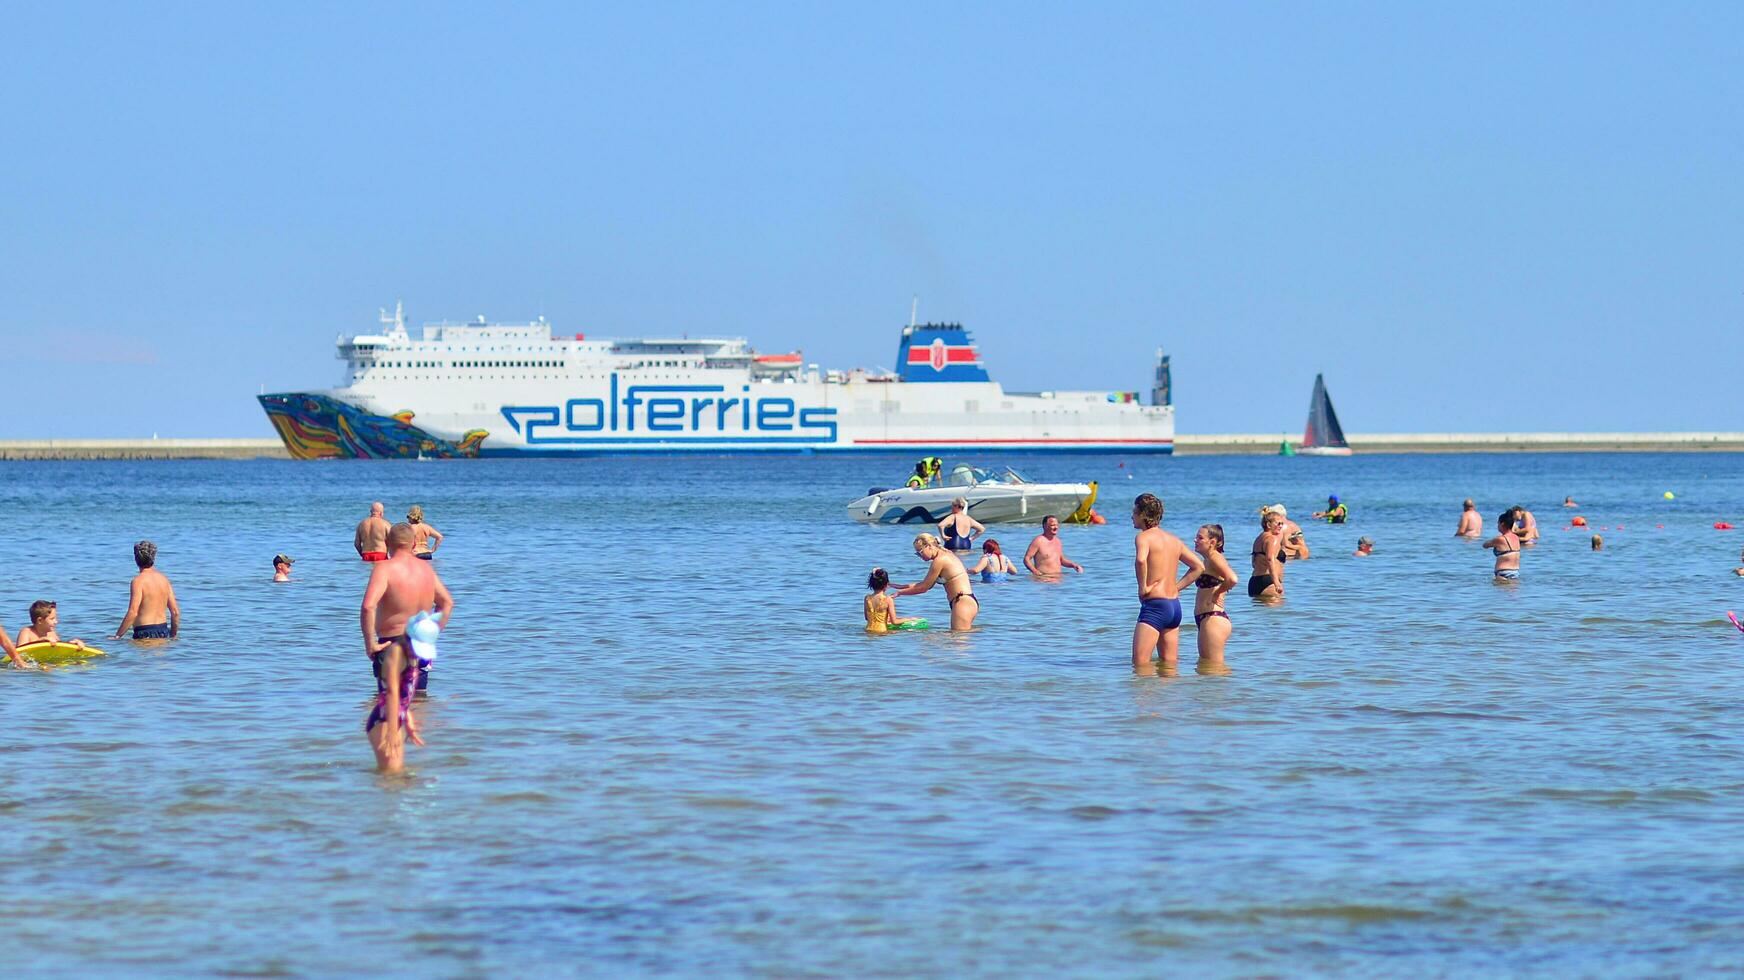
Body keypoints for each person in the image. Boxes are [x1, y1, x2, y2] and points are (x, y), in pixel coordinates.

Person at [360, 523, 454, 773]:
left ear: (388, 544)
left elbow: (369, 606)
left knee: (386, 714)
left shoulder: (386, 568)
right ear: (413, 544)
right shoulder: (426, 570)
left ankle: (392, 775)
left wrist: (370, 643)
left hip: (392, 645)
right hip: (418, 648)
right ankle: (405, 766)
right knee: (410, 702)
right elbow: (447, 604)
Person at [1129, 494, 1204, 670]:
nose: (1131, 516)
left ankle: (1144, 699)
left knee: (1140, 666)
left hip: (1155, 605)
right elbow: (1199, 566)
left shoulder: (1143, 537)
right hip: (1174, 606)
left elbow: (1140, 560)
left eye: (1134, 511)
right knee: (1169, 668)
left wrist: (1143, 588)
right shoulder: (1174, 540)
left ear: (1143, 514)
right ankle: (1169, 698)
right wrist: (1176, 587)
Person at [893, 533, 978, 630]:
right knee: (953, 641)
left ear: (929, 546)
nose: (919, 556)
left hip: (962, 603)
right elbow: (925, 584)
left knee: (958, 641)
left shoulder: (939, 560)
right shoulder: (945, 554)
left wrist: (899, 593)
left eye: (920, 552)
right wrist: (899, 586)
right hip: (964, 601)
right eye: (917, 554)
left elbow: (923, 588)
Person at [114, 540, 180, 640]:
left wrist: (117, 636)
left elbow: (133, 612)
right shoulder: (164, 580)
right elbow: (175, 612)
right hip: (163, 631)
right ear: (154, 558)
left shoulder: (138, 581)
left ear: (136, 559)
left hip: (144, 632)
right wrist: (173, 635)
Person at [1191, 523, 1236, 666]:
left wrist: (1218, 593)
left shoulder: (1215, 557)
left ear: (1212, 542)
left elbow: (1232, 579)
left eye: (1200, 538)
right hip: (1206, 618)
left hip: (1213, 619)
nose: (1195, 540)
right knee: (1206, 669)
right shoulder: (1207, 560)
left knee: (1214, 669)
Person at [863, 568, 921, 634]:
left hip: (868, 631)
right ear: (886, 585)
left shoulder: (867, 598)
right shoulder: (888, 599)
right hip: (882, 632)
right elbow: (894, 621)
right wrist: (910, 619)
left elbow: (867, 618)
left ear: (871, 584)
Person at [1247, 511, 1286, 601]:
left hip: (1254, 581)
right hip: (1269, 582)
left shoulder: (1258, 539)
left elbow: (1253, 563)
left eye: (1282, 524)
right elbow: (1270, 559)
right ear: (1268, 525)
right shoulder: (1272, 539)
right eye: (1278, 523)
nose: (1281, 526)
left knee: (1261, 614)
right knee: (1278, 613)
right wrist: (1276, 583)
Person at [16, 600, 85, 650]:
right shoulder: (26, 632)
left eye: (56, 618)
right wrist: (40, 641)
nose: (56, 622)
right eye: (52, 619)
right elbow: (19, 653)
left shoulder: (52, 634)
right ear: (40, 620)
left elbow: (59, 649)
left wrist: (73, 645)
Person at [1484, 511, 1522, 582]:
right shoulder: (1516, 538)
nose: (1497, 526)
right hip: (1515, 573)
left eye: (1498, 523)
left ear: (1502, 524)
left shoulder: (1500, 539)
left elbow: (1485, 545)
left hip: (1503, 574)